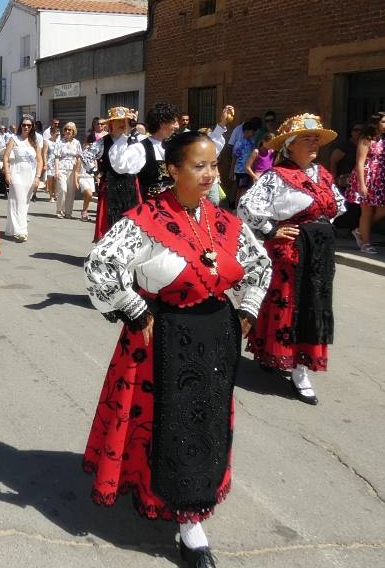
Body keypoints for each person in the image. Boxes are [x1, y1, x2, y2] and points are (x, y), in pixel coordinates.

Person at [84, 130, 271, 567]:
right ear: (172, 169)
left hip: (215, 339)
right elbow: (100, 265)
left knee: (203, 423)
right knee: (167, 422)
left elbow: (259, 265)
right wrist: (133, 306)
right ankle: (189, 525)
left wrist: (248, 309)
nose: (210, 174)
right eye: (198, 166)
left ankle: (193, 503)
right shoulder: (145, 220)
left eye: (213, 166)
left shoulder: (221, 220)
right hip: (162, 338)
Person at [238, 114, 344, 405]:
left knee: (314, 304)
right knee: (289, 305)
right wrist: (271, 228)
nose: (313, 144)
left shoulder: (322, 174)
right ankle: (297, 369)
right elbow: (246, 206)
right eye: (307, 139)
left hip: (319, 252)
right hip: (292, 251)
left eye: (316, 140)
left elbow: (337, 206)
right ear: (289, 145)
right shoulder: (277, 176)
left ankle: (279, 356)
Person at [83, 107, 141, 241]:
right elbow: (86, 156)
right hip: (110, 185)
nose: (121, 124)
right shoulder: (103, 141)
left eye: (123, 121)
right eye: (117, 121)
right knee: (109, 219)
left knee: (129, 219)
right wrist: (95, 171)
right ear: (110, 124)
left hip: (130, 184)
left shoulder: (132, 140)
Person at [344, 112, 385, 254]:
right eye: (384, 121)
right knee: (366, 212)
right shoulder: (365, 139)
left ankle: (360, 230)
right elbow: (360, 162)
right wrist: (361, 184)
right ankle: (366, 243)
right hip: (367, 177)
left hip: (382, 179)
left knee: (383, 211)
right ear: (376, 123)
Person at [2, 115, 43, 242]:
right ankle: (22, 231)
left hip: (30, 174)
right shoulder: (14, 139)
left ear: (32, 127)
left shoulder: (35, 142)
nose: (26, 127)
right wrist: (7, 173)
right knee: (18, 200)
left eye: (29, 125)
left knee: (24, 202)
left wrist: (37, 177)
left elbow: (40, 161)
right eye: (24, 125)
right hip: (17, 172)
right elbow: (6, 157)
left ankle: (11, 228)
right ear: (20, 125)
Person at [230, 117, 261, 206]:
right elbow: (235, 157)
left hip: (247, 170)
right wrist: (231, 171)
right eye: (252, 131)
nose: (253, 133)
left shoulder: (252, 142)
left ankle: (240, 205)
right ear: (246, 131)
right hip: (240, 170)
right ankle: (235, 206)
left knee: (244, 188)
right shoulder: (240, 143)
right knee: (240, 189)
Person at [55, 122, 82, 218]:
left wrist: (77, 172)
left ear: (73, 131)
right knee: (63, 189)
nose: (67, 131)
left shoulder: (77, 143)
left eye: (70, 129)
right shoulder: (60, 142)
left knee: (71, 192)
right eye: (66, 129)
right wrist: (57, 171)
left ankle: (68, 212)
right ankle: (59, 210)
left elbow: (79, 157)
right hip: (62, 169)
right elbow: (57, 157)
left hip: (72, 169)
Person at [43, 122, 61, 212]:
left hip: (58, 162)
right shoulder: (47, 142)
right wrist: (45, 163)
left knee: (56, 179)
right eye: (56, 134)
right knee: (50, 178)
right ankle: (51, 195)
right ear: (51, 134)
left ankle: (55, 194)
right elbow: (45, 153)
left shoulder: (59, 142)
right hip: (50, 162)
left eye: (58, 134)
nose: (57, 136)